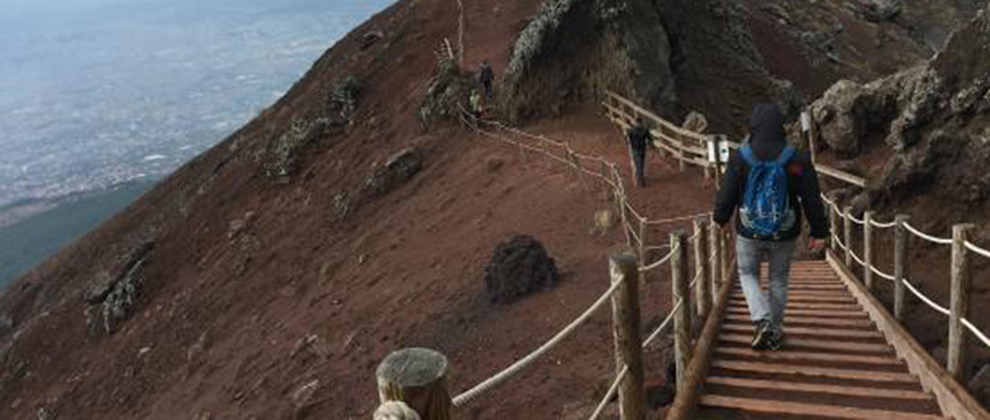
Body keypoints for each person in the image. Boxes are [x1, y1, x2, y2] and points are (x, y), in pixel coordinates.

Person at [713, 104, 829, 351]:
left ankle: (762, 321)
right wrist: (819, 232)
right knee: (778, 278)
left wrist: (720, 219)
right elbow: (811, 198)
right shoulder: (796, 159)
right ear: (781, 128)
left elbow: (727, 194)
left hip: (749, 230)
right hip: (785, 230)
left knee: (747, 274)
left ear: (752, 127)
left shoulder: (740, 157)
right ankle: (773, 330)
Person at [626, 117, 652, 187]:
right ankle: (640, 180)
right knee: (639, 164)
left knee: (641, 164)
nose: (638, 124)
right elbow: (628, 139)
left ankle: (640, 179)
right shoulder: (634, 130)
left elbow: (649, 138)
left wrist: (651, 144)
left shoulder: (633, 130)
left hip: (640, 149)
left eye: (638, 123)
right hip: (636, 149)